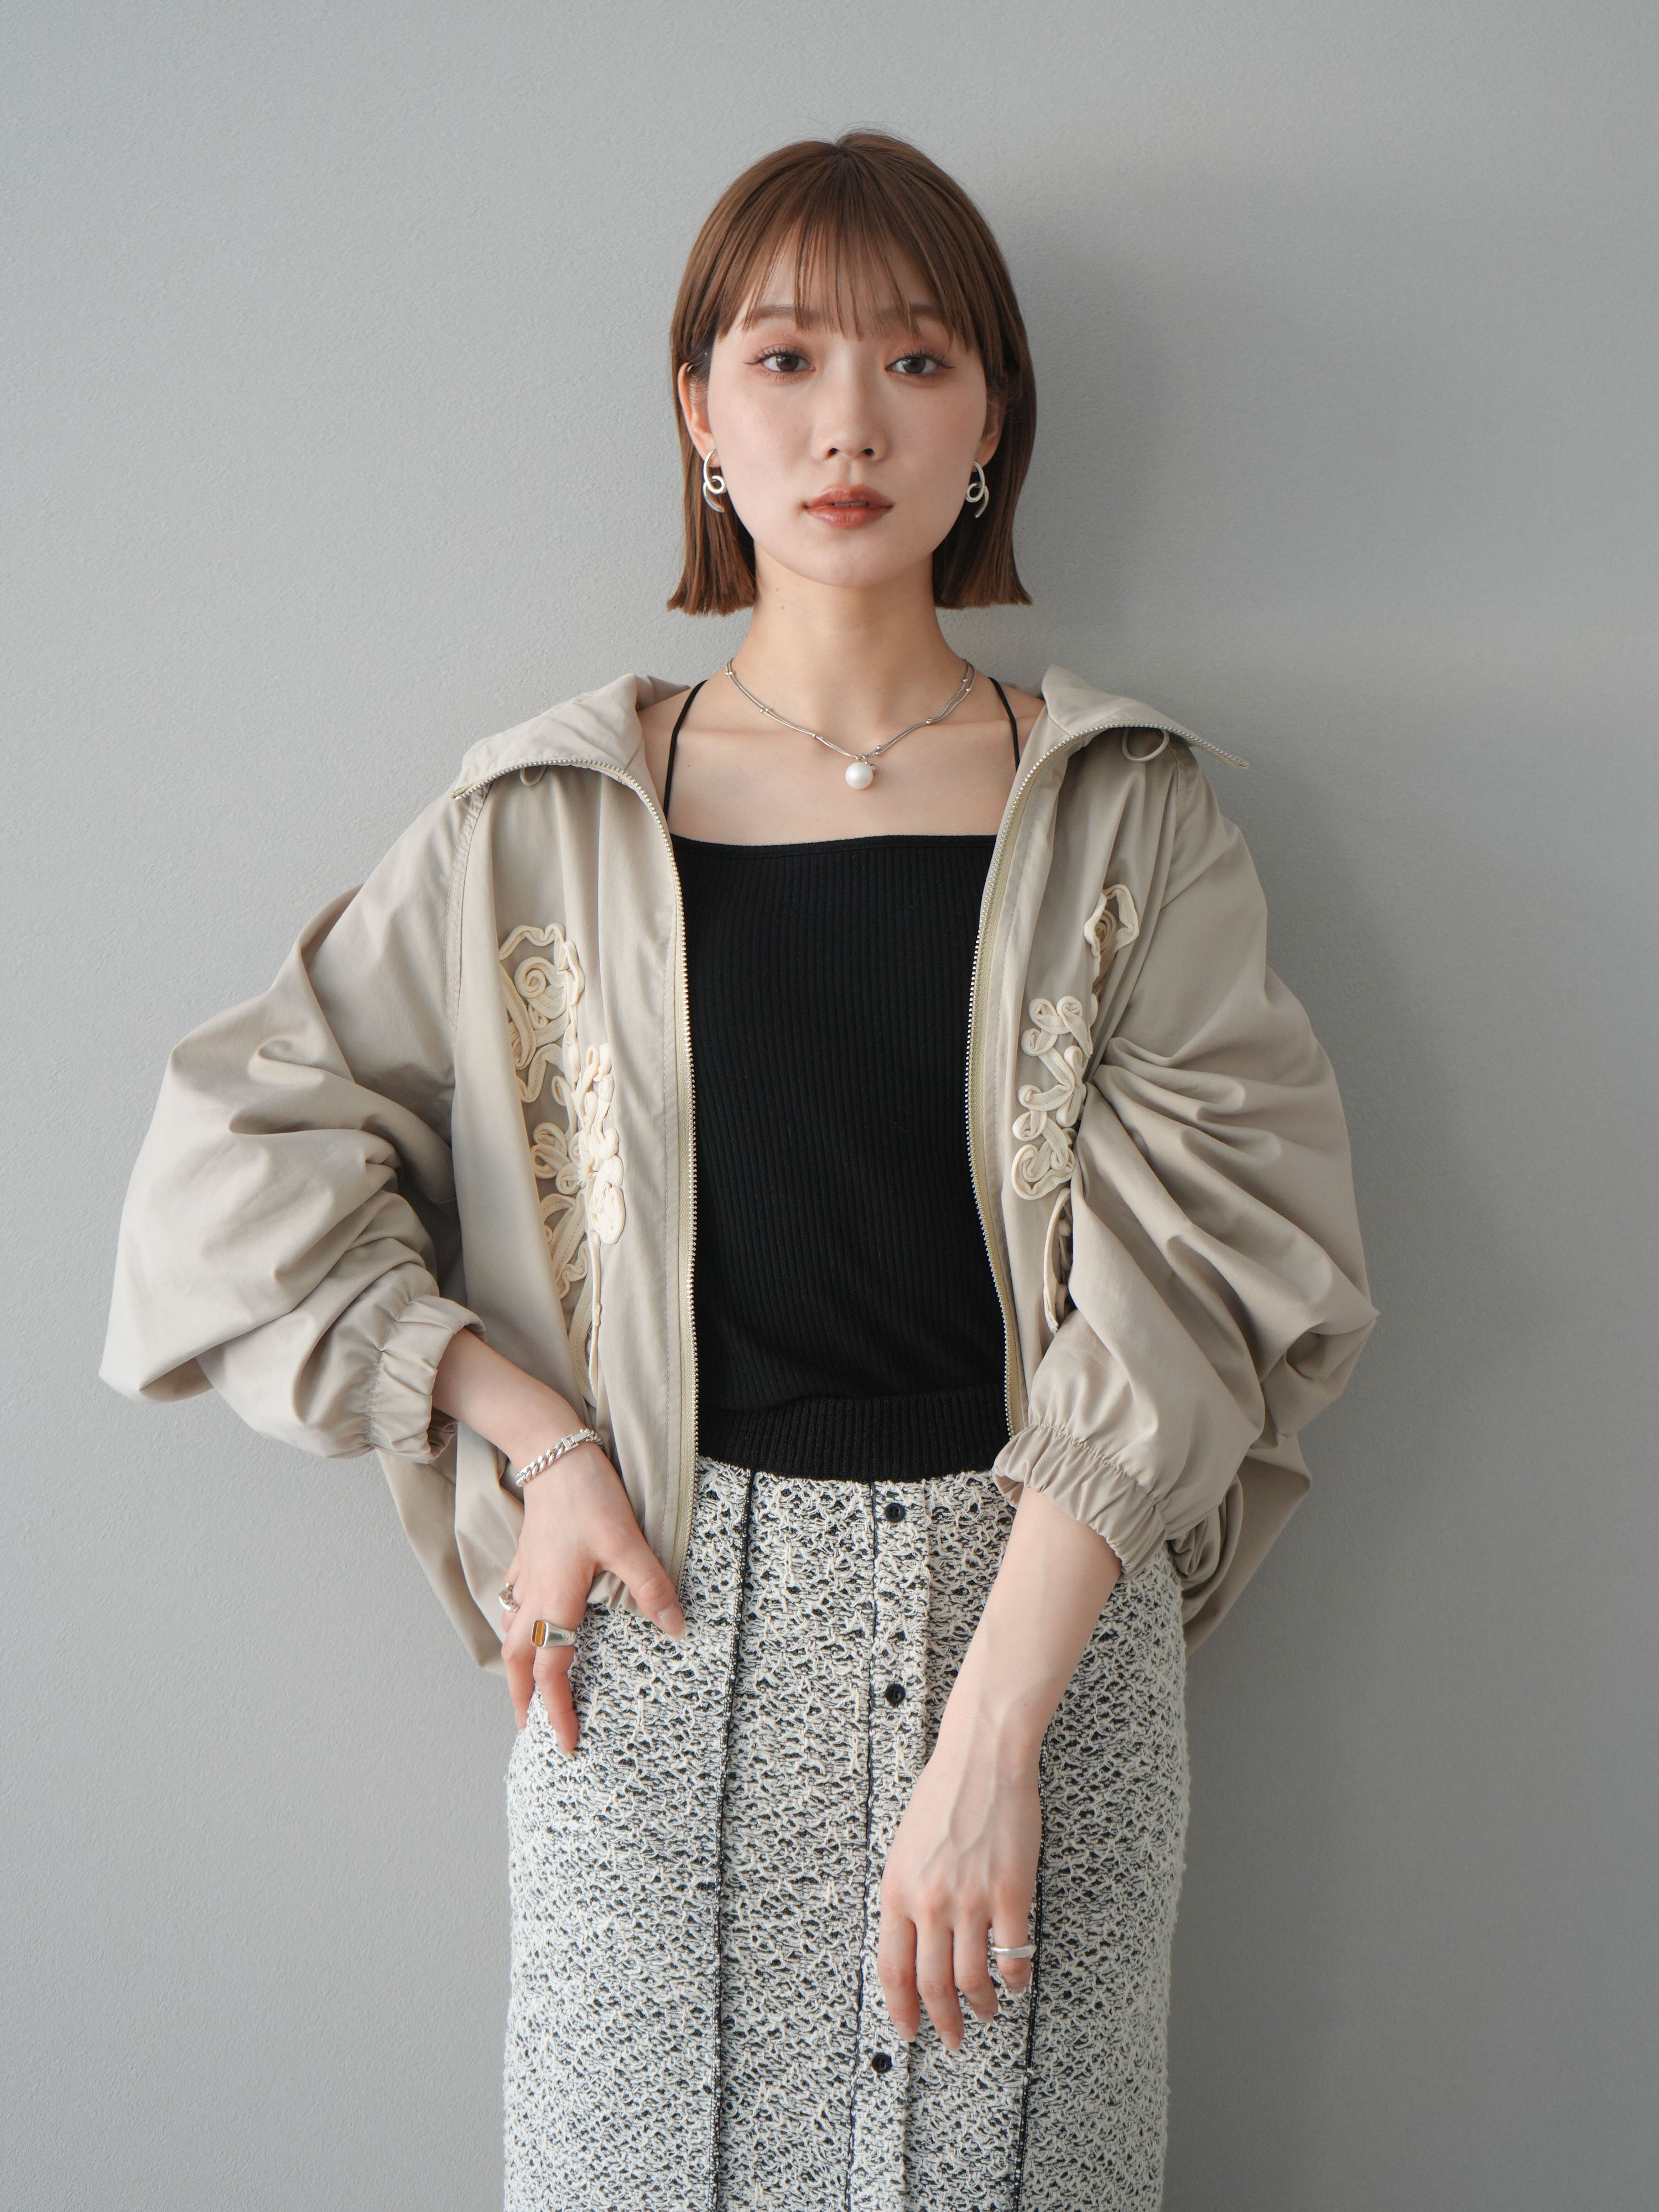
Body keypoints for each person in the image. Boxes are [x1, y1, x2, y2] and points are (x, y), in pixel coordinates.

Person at [101, 131, 1378, 2211]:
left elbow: (1215, 1286)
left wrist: (993, 1744)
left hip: (1034, 1650)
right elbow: (233, 1157)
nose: (847, 422)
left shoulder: (1127, 815)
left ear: (993, 419)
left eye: (916, 359)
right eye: (783, 360)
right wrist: (531, 1435)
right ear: (698, 412)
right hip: (656, 1653)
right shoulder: (543, 819)